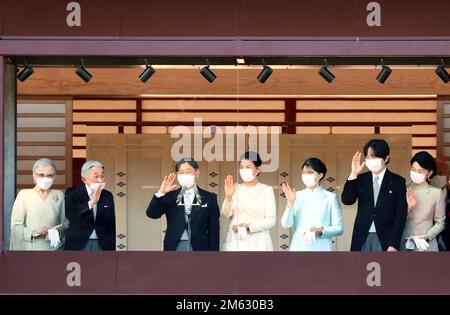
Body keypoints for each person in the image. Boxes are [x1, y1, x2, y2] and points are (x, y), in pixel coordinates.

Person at [341, 139, 407, 251]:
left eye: (374, 157)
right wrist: (353, 174)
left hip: (385, 238)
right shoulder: (360, 179)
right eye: (367, 157)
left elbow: (400, 215)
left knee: (384, 268)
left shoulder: (398, 181)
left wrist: (394, 244)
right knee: (360, 268)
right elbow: (347, 200)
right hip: (362, 235)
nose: (370, 160)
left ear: (386, 158)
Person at [146, 158, 220, 251]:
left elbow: (214, 229)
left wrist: (214, 255)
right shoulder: (171, 196)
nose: (184, 175)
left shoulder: (209, 198)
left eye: (188, 172)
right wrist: (161, 192)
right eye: (181, 172)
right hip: (175, 245)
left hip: (200, 246)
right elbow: (152, 214)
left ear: (197, 173)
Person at [281, 158, 343, 251]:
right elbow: (286, 224)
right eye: (303, 172)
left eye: (310, 172)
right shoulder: (296, 196)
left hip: (322, 246)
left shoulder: (330, 197)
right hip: (299, 246)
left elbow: (339, 228)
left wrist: (320, 231)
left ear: (320, 175)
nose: (305, 175)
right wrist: (290, 204)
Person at [221, 151, 276, 251]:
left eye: (248, 167)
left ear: (258, 169)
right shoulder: (235, 188)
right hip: (235, 240)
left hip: (258, 242)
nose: (243, 170)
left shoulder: (266, 190)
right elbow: (226, 214)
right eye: (241, 167)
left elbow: (271, 220)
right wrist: (228, 196)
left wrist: (248, 227)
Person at [10, 158, 68, 250]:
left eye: (50, 175)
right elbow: (16, 226)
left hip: (55, 248)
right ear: (34, 175)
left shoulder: (59, 195)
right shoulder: (24, 195)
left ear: (54, 177)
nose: (46, 178)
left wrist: (56, 231)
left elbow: (65, 224)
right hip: (31, 248)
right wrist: (32, 232)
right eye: (41, 175)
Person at [64, 160, 116, 251]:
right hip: (79, 241)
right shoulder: (72, 193)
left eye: (102, 176)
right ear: (84, 179)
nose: (100, 180)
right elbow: (72, 216)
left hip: (102, 242)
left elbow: (111, 224)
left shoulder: (107, 195)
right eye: (96, 176)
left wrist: (111, 246)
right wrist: (92, 202)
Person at [403, 151, 446, 251]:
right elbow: (396, 218)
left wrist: (426, 236)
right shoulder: (403, 189)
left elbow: (440, 222)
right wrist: (409, 207)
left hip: (427, 245)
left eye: (420, 171)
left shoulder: (437, 193)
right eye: (413, 169)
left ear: (429, 173)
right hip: (405, 242)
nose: (415, 173)